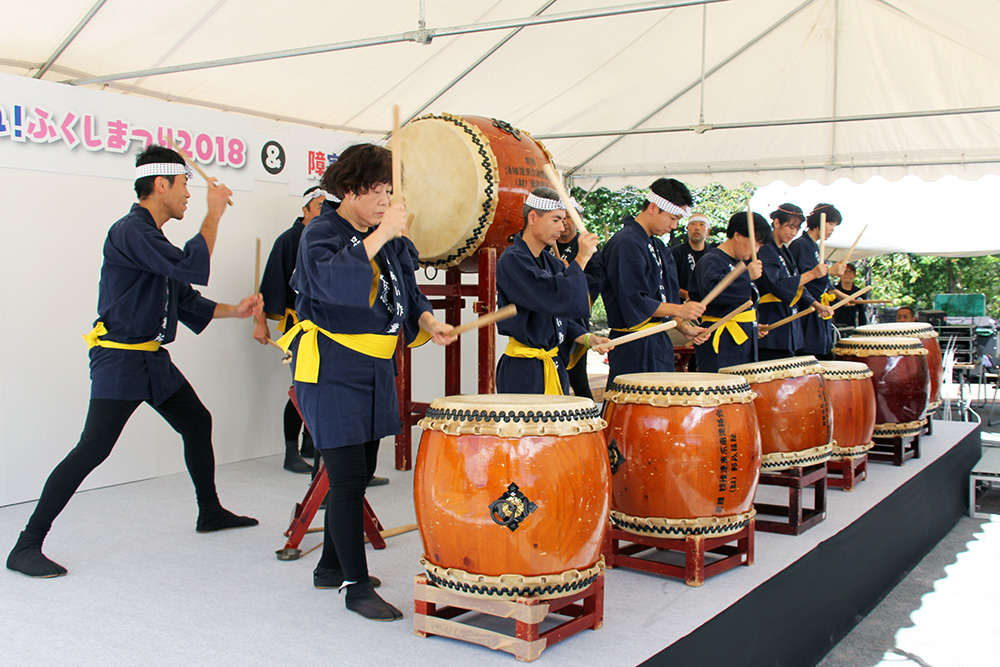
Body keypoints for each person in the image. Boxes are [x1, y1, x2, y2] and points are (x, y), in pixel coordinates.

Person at [7, 145, 260, 579]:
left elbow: (182, 298)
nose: (188, 195)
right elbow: (189, 267)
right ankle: (26, 544)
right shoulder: (130, 231)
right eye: (185, 186)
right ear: (161, 185)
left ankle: (210, 512)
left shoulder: (152, 240)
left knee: (197, 422)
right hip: (120, 360)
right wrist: (213, 213)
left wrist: (234, 311)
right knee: (93, 449)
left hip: (151, 360)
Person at [276, 143, 454, 621]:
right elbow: (332, 282)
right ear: (349, 189)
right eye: (376, 190)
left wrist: (429, 320)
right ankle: (355, 587)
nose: (383, 200)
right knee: (349, 477)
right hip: (331, 366)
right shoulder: (321, 232)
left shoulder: (387, 235)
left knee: (358, 468)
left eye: (389, 191)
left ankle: (331, 567)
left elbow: (409, 292)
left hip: (375, 367)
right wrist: (381, 234)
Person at [496, 188, 609, 395]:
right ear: (532, 217)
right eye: (556, 219)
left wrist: (587, 338)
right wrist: (581, 259)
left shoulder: (551, 262)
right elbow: (550, 297)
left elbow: (559, 315)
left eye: (564, 219)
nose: (562, 226)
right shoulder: (512, 259)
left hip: (554, 364)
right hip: (524, 370)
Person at [600, 179, 707, 386]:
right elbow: (634, 301)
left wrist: (682, 326)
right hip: (633, 346)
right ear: (653, 207)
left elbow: (663, 297)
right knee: (635, 412)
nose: (674, 226)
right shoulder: (626, 242)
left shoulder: (656, 245)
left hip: (657, 341)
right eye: (672, 218)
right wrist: (679, 310)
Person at [253, 187, 325, 474]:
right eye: (319, 206)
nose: (325, 211)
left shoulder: (331, 237)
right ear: (305, 210)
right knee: (303, 388)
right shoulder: (289, 240)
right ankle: (290, 451)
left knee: (320, 387)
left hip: (328, 327)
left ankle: (310, 443)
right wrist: (260, 323)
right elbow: (271, 283)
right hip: (302, 326)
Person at [690, 211, 768, 373]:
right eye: (755, 244)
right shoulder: (711, 260)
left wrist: (752, 324)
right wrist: (746, 276)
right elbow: (712, 294)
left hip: (742, 337)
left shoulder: (740, 263)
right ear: (738, 235)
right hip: (722, 340)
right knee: (721, 390)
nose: (757, 251)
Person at [756, 204, 835, 361]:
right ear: (777, 223)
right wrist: (812, 274)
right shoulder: (765, 249)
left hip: (789, 323)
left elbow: (797, 283)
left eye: (797, 228)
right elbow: (777, 285)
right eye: (790, 227)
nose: (793, 232)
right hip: (771, 320)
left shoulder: (785, 251)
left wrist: (816, 305)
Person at [552, 198, 605, 399]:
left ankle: (590, 419)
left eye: (569, 218)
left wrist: (571, 272)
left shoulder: (587, 248)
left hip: (574, 318)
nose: (564, 223)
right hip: (550, 316)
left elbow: (595, 280)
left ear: (578, 219)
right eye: (560, 218)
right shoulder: (549, 244)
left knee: (577, 376)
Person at [788, 203, 846, 360]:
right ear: (820, 221)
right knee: (810, 356)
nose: (832, 229)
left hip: (819, 309)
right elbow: (803, 280)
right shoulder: (800, 245)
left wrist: (838, 293)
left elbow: (821, 280)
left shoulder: (815, 248)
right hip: (808, 310)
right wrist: (830, 271)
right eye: (831, 224)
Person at [671, 212, 713, 301]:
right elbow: (669, 282)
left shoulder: (714, 254)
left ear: (708, 231)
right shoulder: (674, 253)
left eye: (702, 225)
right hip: (681, 305)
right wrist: (689, 295)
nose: (697, 228)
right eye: (693, 224)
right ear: (687, 228)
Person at [833, 263, 869, 328]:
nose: (848, 274)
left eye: (850, 272)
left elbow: (862, 314)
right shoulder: (833, 291)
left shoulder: (859, 293)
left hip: (851, 327)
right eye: (845, 272)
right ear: (840, 275)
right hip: (834, 327)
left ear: (854, 275)